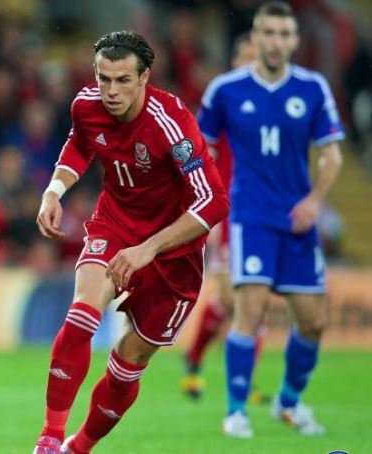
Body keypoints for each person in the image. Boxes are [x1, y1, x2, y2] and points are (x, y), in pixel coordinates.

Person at [33, 31, 229, 454]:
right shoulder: (86, 105)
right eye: (103, 79)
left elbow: (214, 201)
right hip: (115, 224)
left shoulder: (171, 124)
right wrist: (53, 191)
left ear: (144, 78)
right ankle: (49, 439)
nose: (111, 91)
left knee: (127, 365)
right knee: (81, 315)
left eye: (123, 80)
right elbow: (79, 143)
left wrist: (148, 249)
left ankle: (77, 448)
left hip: (174, 253)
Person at [198, 1, 344, 438]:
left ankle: (289, 401)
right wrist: (207, 205)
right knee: (250, 310)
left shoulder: (312, 88)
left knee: (313, 322)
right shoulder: (225, 90)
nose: (276, 42)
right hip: (251, 216)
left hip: (298, 219)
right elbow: (200, 149)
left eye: (284, 34)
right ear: (255, 37)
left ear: (295, 40)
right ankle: (236, 412)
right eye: (268, 33)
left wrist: (315, 201)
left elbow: (332, 154)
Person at [180, 33, 268, 401]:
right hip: (228, 214)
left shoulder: (272, 105)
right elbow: (199, 155)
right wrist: (203, 207)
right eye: (246, 56)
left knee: (255, 302)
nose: (252, 64)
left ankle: (233, 378)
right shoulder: (223, 102)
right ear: (235, 61)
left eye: (257, 58)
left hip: (262, 214)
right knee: (235, 301)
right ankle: (198, 359)